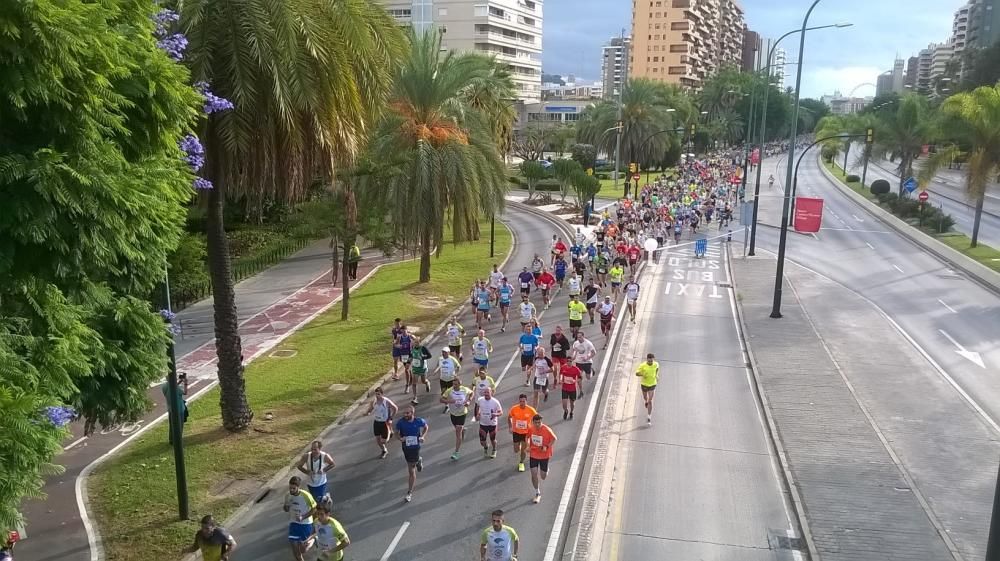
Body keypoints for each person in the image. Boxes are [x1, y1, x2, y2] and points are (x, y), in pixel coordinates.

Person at [395, 406, 428, 502]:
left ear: (412, 413)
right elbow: (396, 432)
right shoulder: (401, 422)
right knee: (411, 463)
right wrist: (400, 438)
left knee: (411, 470)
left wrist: (422, 436)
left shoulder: (418, 421)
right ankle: (418, 460)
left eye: (407, 413)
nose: (405, 415)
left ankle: (409, 492)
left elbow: (426, 427)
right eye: (404, 413)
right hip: (405, 447)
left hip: (415, 447)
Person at [283, 476, 317, 561]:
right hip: (293, 523)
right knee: (295, 549)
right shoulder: (288, 495)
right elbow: (286, 509)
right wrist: (286, 507)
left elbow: (315, 509)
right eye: (290, 488)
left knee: (303, 550)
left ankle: (313, 538)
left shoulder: (306, 496)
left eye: (293, 488)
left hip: (305, 523)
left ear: (298, 487)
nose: (291, 490)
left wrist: (303, 517)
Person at [441, 377, 473, 460]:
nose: (454, 386)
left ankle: (456, 452)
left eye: (455, 384)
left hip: (462, 413)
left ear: (460, 384)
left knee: (458, 432)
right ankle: (463, 429)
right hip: (453, 414)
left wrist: (469, 401)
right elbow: (441, 399)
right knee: (457, 429)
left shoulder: (464, 389)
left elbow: (471, 393)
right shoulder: (449, 391)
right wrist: (449, 402)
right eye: (453, 384)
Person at [527, 414, 557, 504]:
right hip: (534, 454)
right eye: (536, 422)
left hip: (544, 455)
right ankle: (537, 493)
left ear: (541, 422)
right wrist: (528, 445)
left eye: (539, 422)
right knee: (534, 473)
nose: (537, 424)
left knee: (543, 476)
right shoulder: (531, 429)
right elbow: (527, 437)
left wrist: (547, 446)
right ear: (533, 422)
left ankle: (546, 470)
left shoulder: (546, 429)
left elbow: (554, 439)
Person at [297, 441, 335, 507]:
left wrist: (324, 470)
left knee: (319, 500)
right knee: (315, 498)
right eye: (312, 449)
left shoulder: (325, 456)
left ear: (319, 449)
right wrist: (307, 472)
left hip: (321, 482)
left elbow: (332, 464)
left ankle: (321, 511)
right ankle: (326, 497)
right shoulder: (306, 456)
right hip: (310, 483)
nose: (313, 451)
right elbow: (299, 466)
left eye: (315, 449)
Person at [365, 387, 398, 458]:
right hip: (376, 422)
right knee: (378, 439)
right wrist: (368, 412)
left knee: (384, 441)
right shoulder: (374, 401)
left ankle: (389, 431)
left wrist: (391, 418)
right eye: (376, 394)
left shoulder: (386, 401)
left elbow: (395, 408)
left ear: (382, 394)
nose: (377, 396)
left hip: (384, 422)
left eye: (379, 394)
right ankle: (384, 450)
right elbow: (371, 408)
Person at [507, 394, 537, 472]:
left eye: (524, 401)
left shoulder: (531, 410)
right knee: (516, 450)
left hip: (526, 433)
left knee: (523, 450)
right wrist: (510, 427)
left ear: (526, 401)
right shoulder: (514, 409)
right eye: (520, 401)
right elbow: (509, 417)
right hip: (516, 432)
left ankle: (521, 462)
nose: (522, 403)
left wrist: (535, 429)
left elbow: (537, 418)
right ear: (519, 401)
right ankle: (519, 447)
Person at [475, 387, 504, 458]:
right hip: (483, 423)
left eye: (488, 392)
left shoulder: (495, 402)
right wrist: (477, 414)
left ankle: (494, 450)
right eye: (485, 392)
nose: (486, 394)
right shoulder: (480, 400)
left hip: (492, 424)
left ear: (491, 392)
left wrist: (495, 414)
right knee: (482, 442)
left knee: (492, 439)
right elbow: (477, 407)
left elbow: (501, 412)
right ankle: (486, 447)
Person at [635, 353, 660, 425]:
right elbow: (636, 373)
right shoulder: (643, 365)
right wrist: (642, 374)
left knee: (651, 400)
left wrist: (656, 375)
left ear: (653, 360)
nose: (650, 362)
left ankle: (649, 417)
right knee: (645, 397)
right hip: (644, 384)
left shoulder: (656, 364)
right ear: (647, 360)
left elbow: (656, 370)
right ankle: (646, 401)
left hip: (653, 384)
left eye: (651, 361)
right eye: (649, 361)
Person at [407, 339, 433, 404]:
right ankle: (415, 397)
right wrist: (408, 363)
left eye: (417, 342)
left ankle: (427, 383)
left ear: (420, 343)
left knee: (423, 381)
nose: (416, 344)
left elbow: (430, 356)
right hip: (415, 368)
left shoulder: (423, 348)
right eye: (414, 343)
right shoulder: (412, 348)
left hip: (422, 368)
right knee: (414, 383)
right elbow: (410, 356)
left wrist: (422, 357)